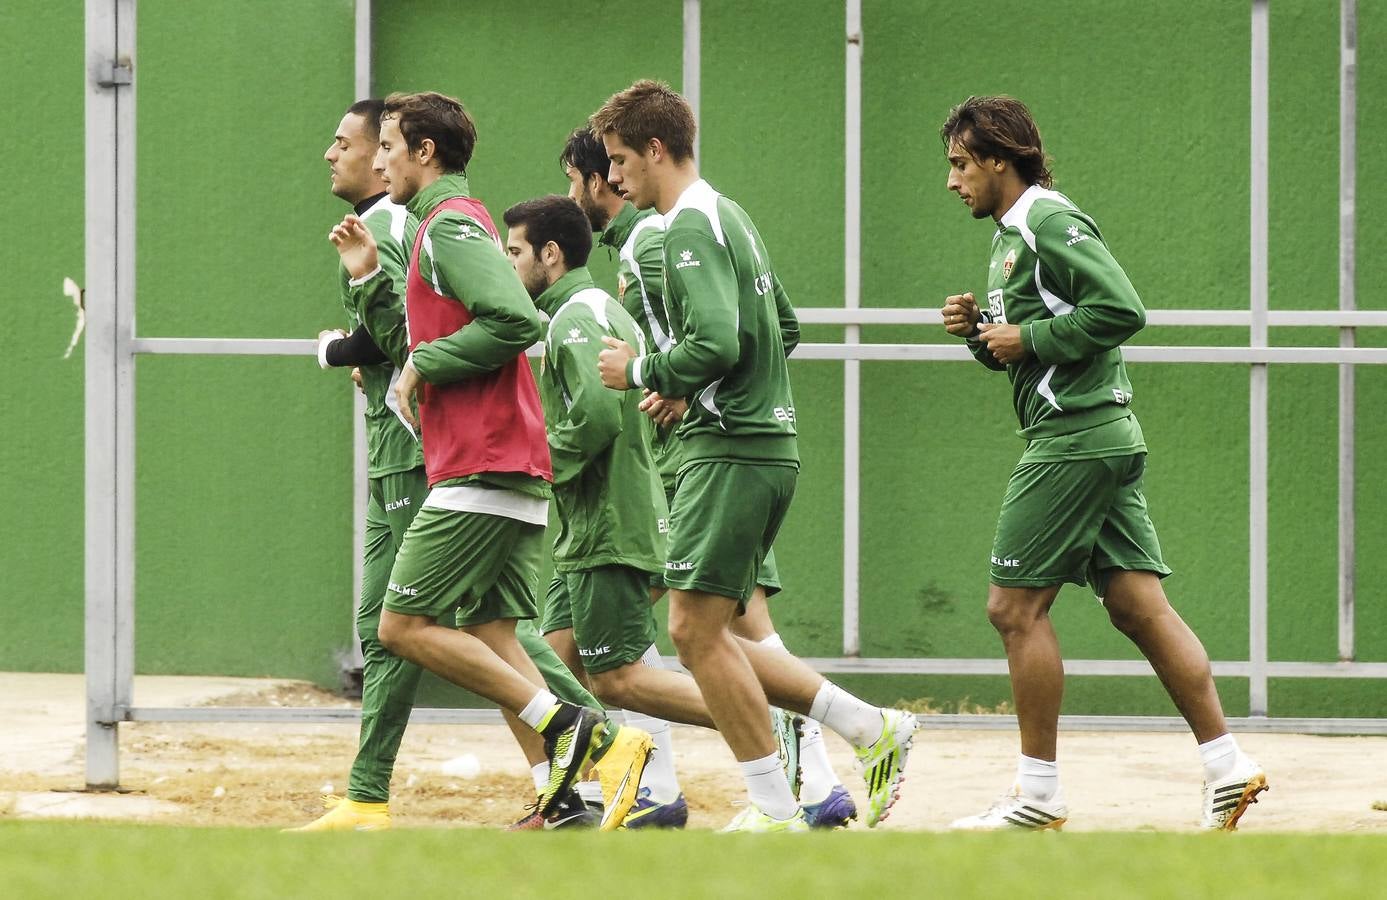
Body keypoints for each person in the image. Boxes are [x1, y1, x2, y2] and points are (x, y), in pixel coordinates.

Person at [592, 80, 917, 832]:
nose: (613, 179)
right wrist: (692, 384)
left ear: (653, 148)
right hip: (761, 444)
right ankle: (865, 733)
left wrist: (646, 373)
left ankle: (779, 803)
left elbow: (720, 340)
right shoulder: (728, 214)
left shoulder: (682, 228)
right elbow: (783, 328)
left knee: (691, 633)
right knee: (716, 629)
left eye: (618, 160)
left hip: (730, 449)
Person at [938, 95, 1267, 831]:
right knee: (1136, 606)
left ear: (999, 157)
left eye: (960, 164)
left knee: (1012, 608)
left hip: (1073, 439)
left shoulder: (1048, 219)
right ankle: (1228, 767)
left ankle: (1037, 794)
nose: (952, 180)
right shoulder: (1006, 237)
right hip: (1097, 433)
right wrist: (979, 333)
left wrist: (1030, 339)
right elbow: (1022, 345)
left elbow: (1122, 310)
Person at [326, 90, 651, 832]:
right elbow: (432, 330)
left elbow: (513, 318)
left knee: (400, 628)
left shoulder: (448, 225)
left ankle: (592, 734)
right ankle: (579, 785)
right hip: (496, 464)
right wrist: (370, 281)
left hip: (482, 463)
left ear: (423, 153)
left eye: (386, 147)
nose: (377, 160)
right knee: (497, 634)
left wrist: (423, 365)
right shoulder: (436, 228)